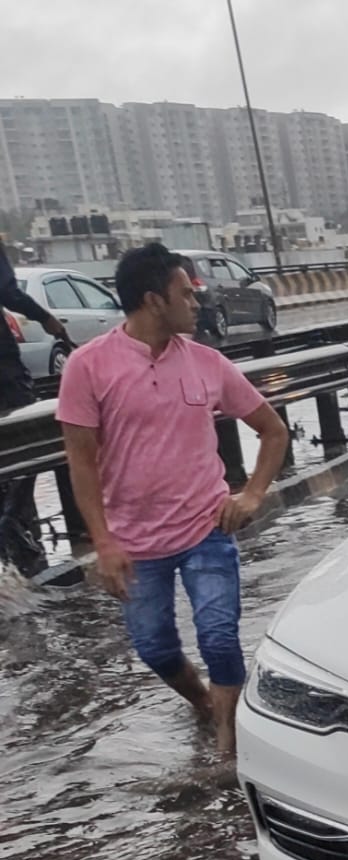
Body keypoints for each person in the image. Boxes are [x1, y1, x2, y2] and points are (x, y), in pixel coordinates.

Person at [56, 243, 289, 757]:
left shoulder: (208, 363)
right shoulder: (88, 367)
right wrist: (104, 542)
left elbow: (272, 430)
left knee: (220, 637)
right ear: (153, 300)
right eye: (186, 292)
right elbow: (80, 461)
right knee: (155, 646)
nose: (196, 301)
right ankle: (205, 704)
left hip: (206, 527)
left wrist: (252, 494)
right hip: (135, 541)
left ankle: (229, 747)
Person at [0, 241, 71, 575]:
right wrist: (45, 318)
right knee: (30, 437)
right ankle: (13, 523)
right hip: (3, 367)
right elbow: (8, 292)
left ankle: (13, 539)